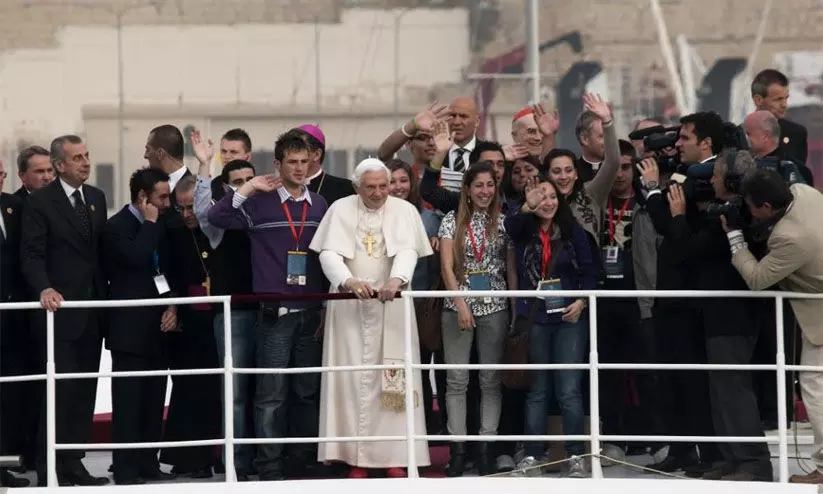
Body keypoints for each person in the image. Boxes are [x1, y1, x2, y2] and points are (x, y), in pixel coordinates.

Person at [208, 133, 329, 481]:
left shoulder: (320, 204)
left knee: (305, 390)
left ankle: (302, 458)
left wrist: (323, 308)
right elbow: (215, 218)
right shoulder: (259, 203)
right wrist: (247, 188)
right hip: (274, 311)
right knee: (270, 392)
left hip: (312, 311)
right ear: (277, 164)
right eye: (292, 162)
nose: (299, 168)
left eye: (305, 162)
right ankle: (269, 465)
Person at [309, 158, 433, 478]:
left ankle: (394, 456)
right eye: (371, 187)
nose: (379, 193)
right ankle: (355, 457)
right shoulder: (340, 208)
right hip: (350, 306)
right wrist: (348, 280)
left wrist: (398, 279)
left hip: (391, 306)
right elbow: (328, 253)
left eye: (383, 186)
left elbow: (407, 250)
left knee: (394, 382)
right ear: (356, 187)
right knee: (351, 381)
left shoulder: (403, 211)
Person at [723, 168, 823, 484]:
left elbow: (756, 278)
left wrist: (735, 236)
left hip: (819, 319)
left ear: (766, 206)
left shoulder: (788, 237)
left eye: (750, 205)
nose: (748, 211)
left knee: (814, 387)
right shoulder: (803, 192)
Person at [20, 135, 109, 486]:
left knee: (84, 391)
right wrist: (44, 287)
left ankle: (74, 462)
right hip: (57, 313)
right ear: (59, 165)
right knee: (59, 392)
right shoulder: (41, 203)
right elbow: (31, 254)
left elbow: (99, 254)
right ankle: (49, 468)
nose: (85, 163)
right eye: (77, 158)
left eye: (87, 156)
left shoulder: (97, 199)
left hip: (92, 309)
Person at [505, 175, 596, 477]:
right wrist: (526, 207)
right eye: (541, 196)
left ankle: (574, 456)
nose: (548, 202)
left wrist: (582, 301)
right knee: (538, 390)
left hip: (569, 318)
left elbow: (589, 272)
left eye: (553, 196)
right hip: (535, 319)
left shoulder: (573, 233)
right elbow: (510, 226)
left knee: (569, 390)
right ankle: (533, 455)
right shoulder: (523, 230)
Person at [102, 168, 175, 485]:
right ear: (143, 198)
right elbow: (134, 258)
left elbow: (165, 268)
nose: (167, 202)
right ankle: (126, 467)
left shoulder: (161, 223)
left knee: (153, 399)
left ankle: (148, 463)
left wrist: (173, 304)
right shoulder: (116, 226)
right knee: (129, 402)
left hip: (158, 325)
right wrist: (148, 223)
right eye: (162, 197)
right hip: (129, 329)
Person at [438, 162, 510, 477]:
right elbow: (446, 268)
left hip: (495, 304)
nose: (484, 191)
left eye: (489, 185)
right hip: (457, 308)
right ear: (467, 188)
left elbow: (510, 268)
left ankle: (486, 450)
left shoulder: (505, 222)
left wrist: (516, 306)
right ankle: (458, 450)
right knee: (456, 381)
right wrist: (461, 302)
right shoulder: (450, 221)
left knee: (490, 381)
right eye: (478, 185)